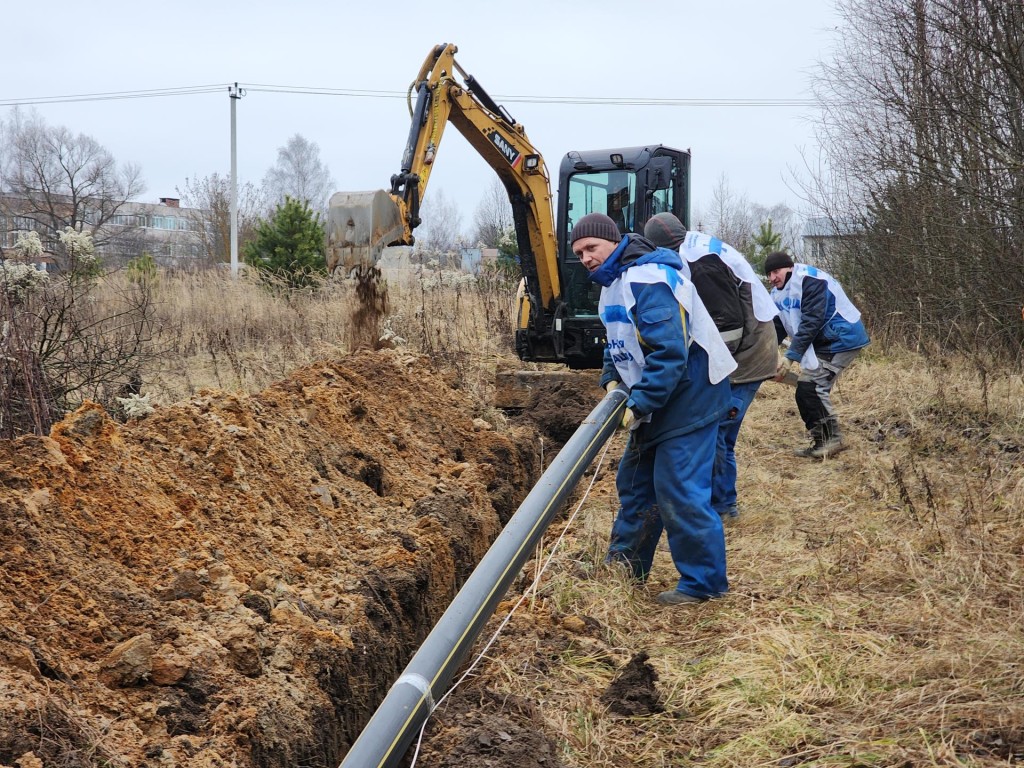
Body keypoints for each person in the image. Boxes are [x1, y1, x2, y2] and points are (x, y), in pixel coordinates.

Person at [570, 212, 736, 606]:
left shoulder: (650, 279)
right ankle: (625, 570)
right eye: (579, 253)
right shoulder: (613, 284)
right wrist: (612, 378)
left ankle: (704, 585)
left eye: (592, 248)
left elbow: (670, 353)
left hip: (692, 393)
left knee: (678, 489)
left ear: (613, 242)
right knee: (636, 484)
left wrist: (639, 402)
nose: (586, 258)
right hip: (662, 395)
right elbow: (619, 341)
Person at [644, 213, 779, 521]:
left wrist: (710, 370)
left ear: (666, 247)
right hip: (743, 348)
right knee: (716, 428)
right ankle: (716, 504)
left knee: (717, 429)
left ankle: (722, 507)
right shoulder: (694, 248)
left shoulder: (701, 262)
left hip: (745, 355)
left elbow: (727, 326)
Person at [764, 251, 870, 458]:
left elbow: (811, 322)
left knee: (811, 388)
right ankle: (823, 440)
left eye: (776, 271)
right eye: (769, 274)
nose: (772, 278)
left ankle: (832, 441)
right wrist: (765, 355)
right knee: (807, 388)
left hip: (841, 339)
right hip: (824, 341)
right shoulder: (778, 292)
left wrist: (790, 357)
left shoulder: (810, 281)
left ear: (789, 267)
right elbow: (777, 326)